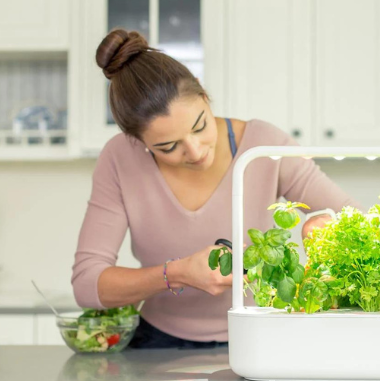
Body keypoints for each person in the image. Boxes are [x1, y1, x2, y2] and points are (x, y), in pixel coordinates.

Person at [71, 29, 361, 349]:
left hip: (261, 336)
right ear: (138, 142)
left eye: (200, 126)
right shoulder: (119, 158)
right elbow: (87, 285)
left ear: (206, 99)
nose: (195, 152)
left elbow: (357, 219)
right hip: (157, 343)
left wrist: (324, 228)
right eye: (168, 146)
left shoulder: (265, 145)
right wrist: (177, 273)